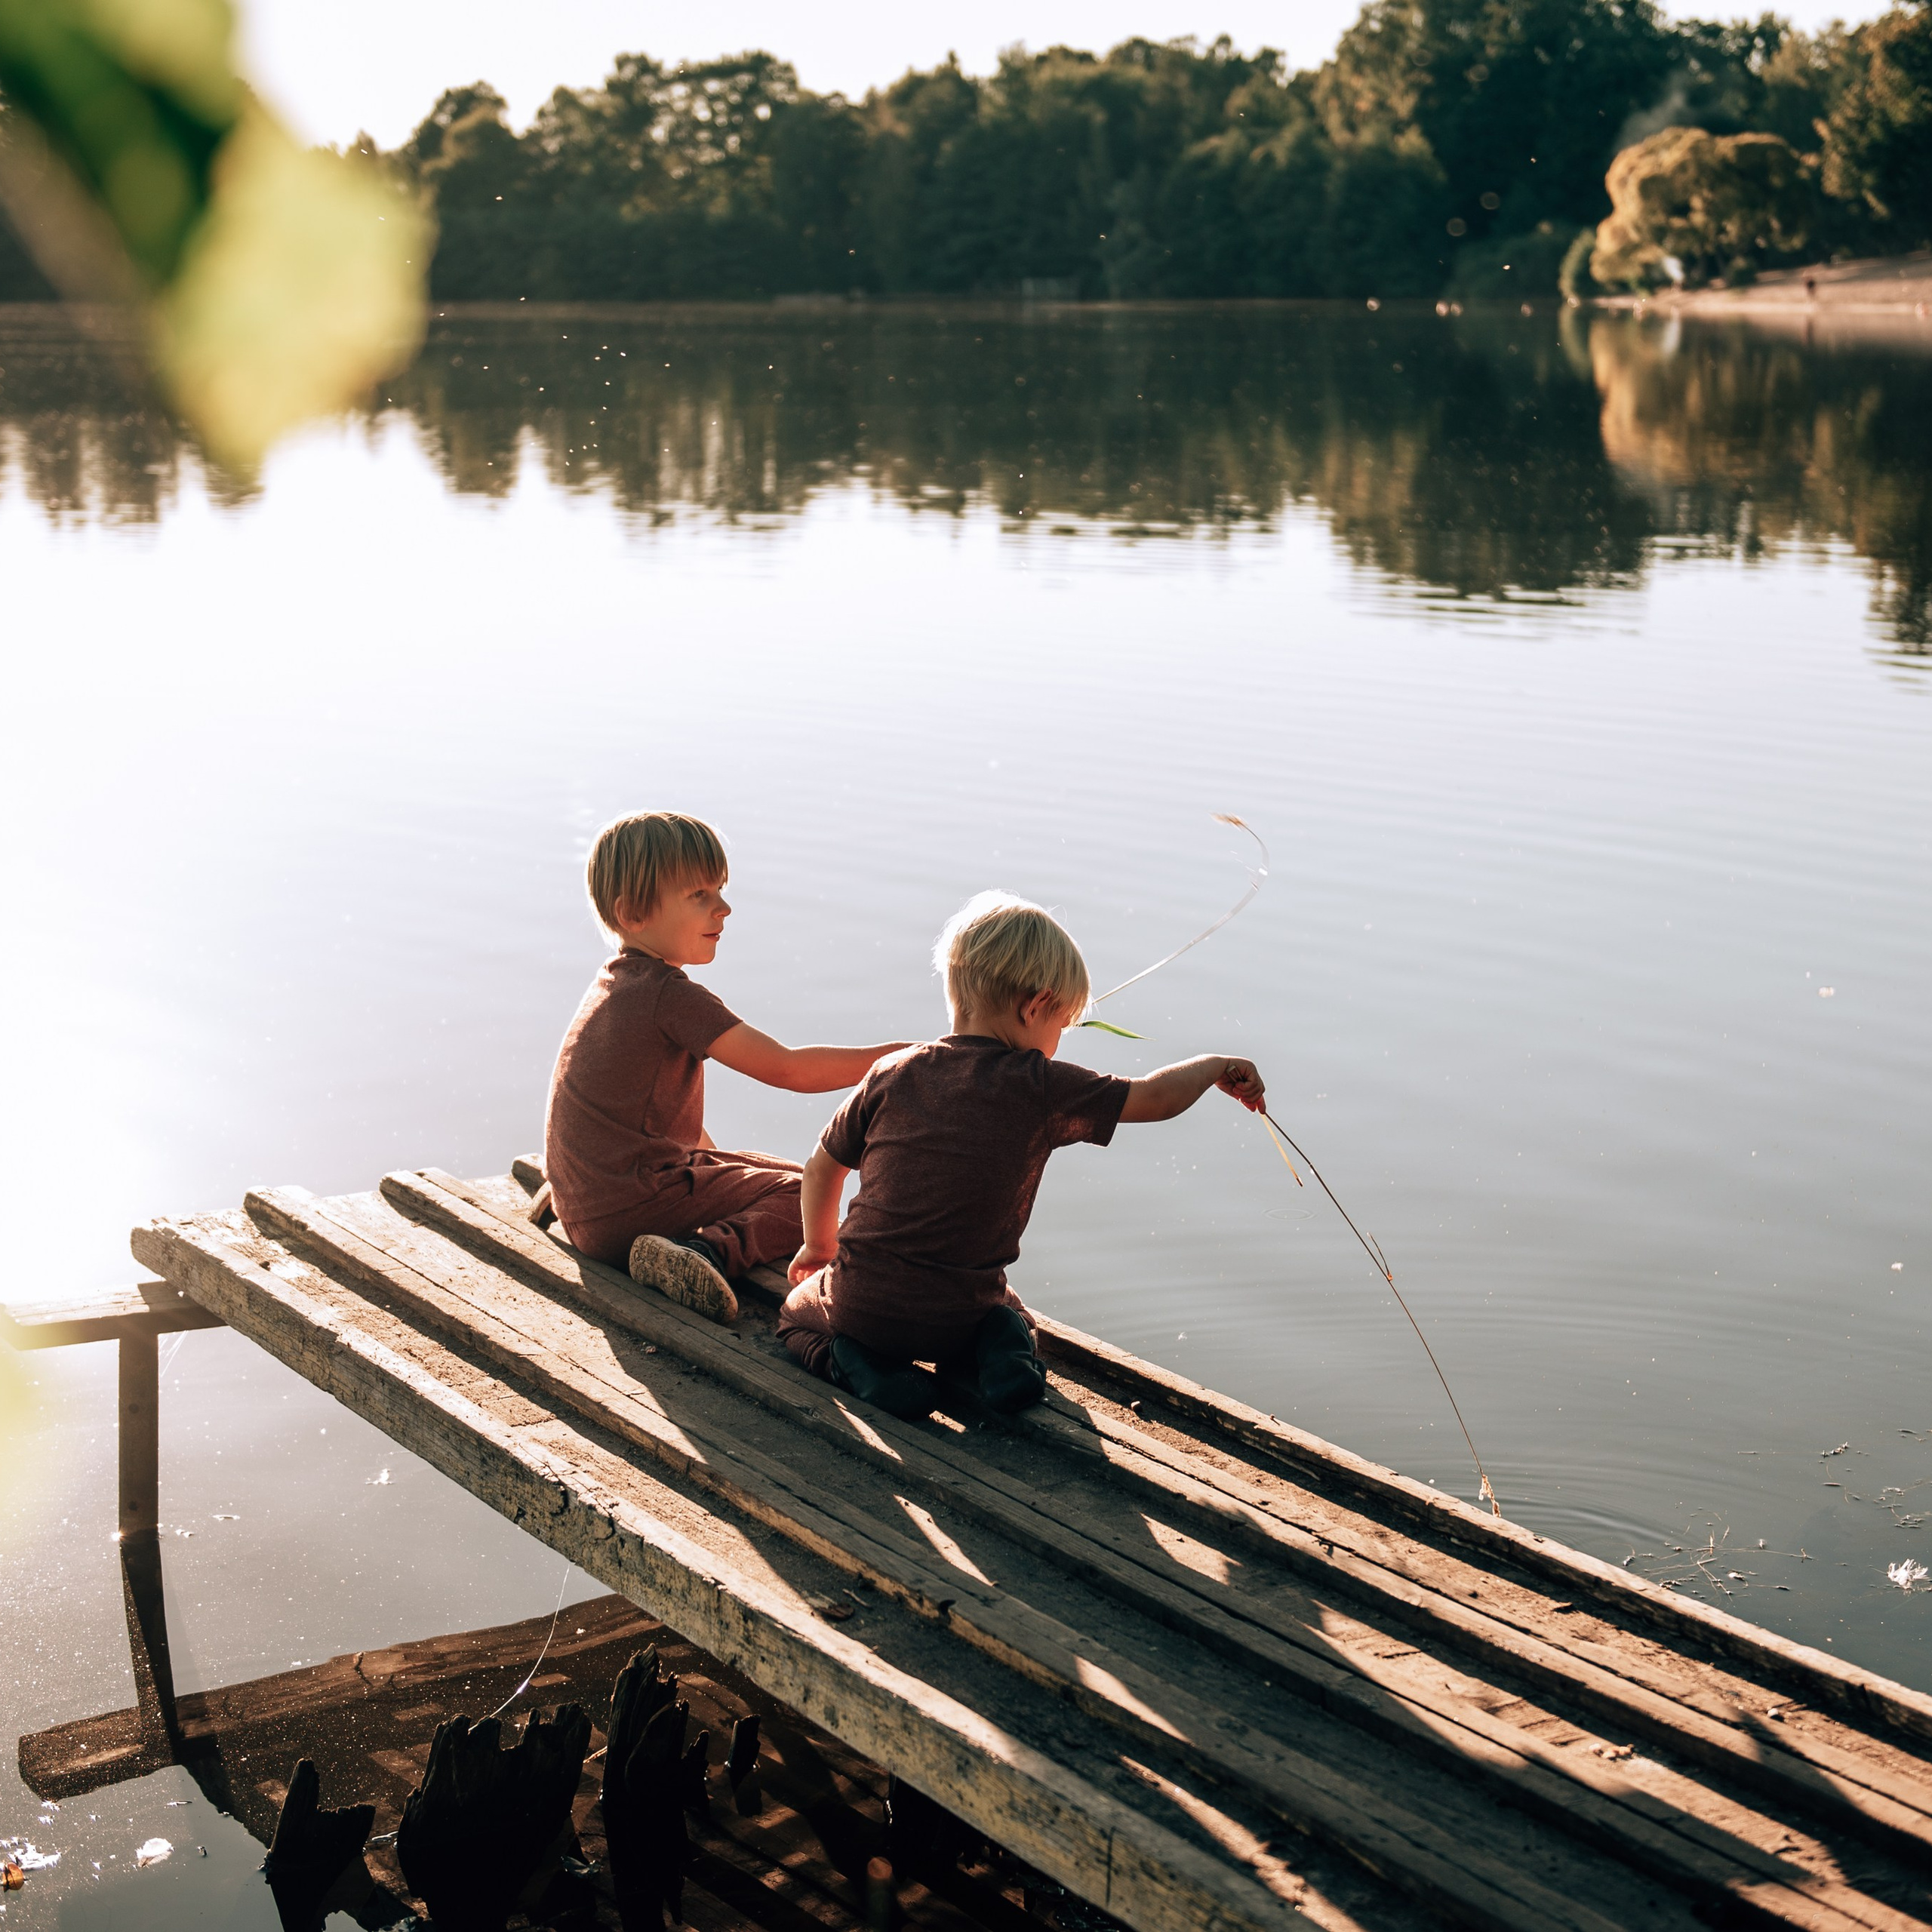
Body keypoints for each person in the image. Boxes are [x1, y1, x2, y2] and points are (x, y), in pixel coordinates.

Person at [778, 891, 1265, 1418]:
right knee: (1009, 1313)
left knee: (794, 1316)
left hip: (864, 1309)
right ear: (1035, 1007)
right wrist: (1215, 1064)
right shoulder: (1041, 1087)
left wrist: (818, 1248)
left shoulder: (893, 1072)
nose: (1059, 1040)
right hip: (960, 1316)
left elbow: (823, 1166)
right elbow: (1156, 1097)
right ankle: (1003, 1360)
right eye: (1061, 1025)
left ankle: (856, 1365)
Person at [543, 811, 908, 1325]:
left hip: (587, 1202)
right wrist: (901, 1060)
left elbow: (649, 1114)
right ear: (633, 915)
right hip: (626, 1213)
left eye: (720, 890)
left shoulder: (616, 982)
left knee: (787, 1176)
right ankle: (707, 1253)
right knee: (806, 1194)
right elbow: (789, 1070)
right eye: (700, 896)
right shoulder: (670, 997)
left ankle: (688, 1236)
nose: (725, 908)